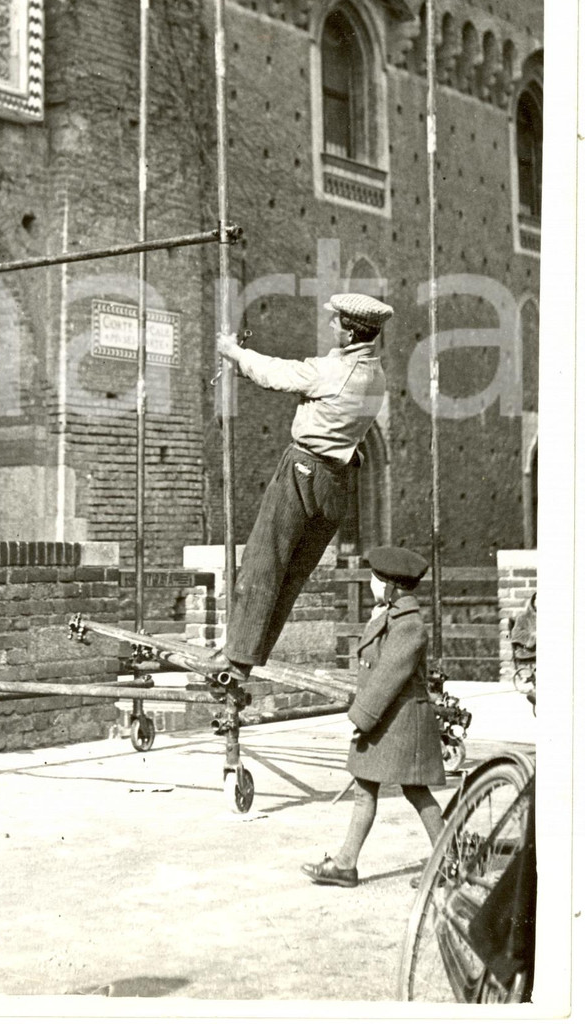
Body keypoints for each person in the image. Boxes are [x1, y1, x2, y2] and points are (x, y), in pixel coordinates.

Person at [210, 292, 393, 675]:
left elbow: (277, 374)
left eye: (335, 321)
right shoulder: (375, 375)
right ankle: (249, 655)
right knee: (292, 574)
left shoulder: (333, 371)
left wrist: (233, 351)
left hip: (303, 471)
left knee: (263, 560)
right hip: (337, 481)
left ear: (350, 333)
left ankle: (236, 657)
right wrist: (243, 366)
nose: (330, 325)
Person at [301, 546, 445, 887]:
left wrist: (361, 717)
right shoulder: (390, 616)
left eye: (375, 579)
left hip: (402, 722)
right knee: (366, 789)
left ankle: (447, 860)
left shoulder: (408, 626)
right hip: (387, 719)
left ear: (391, 587)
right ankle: (345, 864)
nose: (370, 584)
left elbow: (387, 678)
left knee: (416, 791)